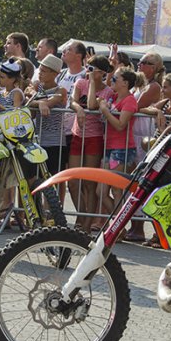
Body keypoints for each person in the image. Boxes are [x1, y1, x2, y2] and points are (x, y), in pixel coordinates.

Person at [67, 55, 115, 232]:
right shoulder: (80, 83)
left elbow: (92, 105)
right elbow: (73, 101)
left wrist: (94, 83)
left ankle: (87, 223)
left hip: (94, 137)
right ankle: (82, 214)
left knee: (89, 183)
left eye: (92, 69)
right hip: (77, 134)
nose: (88, 71)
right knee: (72, 181)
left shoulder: (107, 91)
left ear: (101, 72)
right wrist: (79, 109)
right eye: (88, 68)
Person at [90, 67, 138, 218]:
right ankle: (118, 223)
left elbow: (120, 125)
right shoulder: (114, 97)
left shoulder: (129, 100)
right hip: (110, 148)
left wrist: (105, 110)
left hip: (122, 149)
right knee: (101, 191)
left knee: (117, 190)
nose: (111, 80)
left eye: (115, 78)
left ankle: (119, 226)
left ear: (125, 82)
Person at [28, 54, 68, 176]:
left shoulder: (60, 90)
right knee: (35, 177)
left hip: (55, 142)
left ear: (55, 73)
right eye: (40, 70)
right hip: (37, 140)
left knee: (53, 177)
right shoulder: (36, 86)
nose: (40, 73)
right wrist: (39, 102)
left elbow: (50, 103)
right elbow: (29, 103)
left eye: (44, 71)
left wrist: (37, 99)